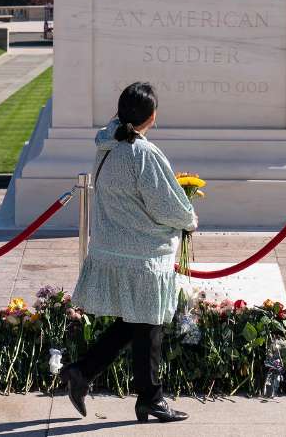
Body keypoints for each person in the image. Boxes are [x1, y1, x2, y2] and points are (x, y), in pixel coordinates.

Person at [60, 82, 198, 423]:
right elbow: (165, 204)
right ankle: (151, 398)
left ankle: (83, 372)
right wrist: (189, 219)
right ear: (152, 116)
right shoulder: (142, 152)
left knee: (133, 322)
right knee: (148, 325)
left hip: (115, 247)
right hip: (144, 252)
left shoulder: (107, 145)